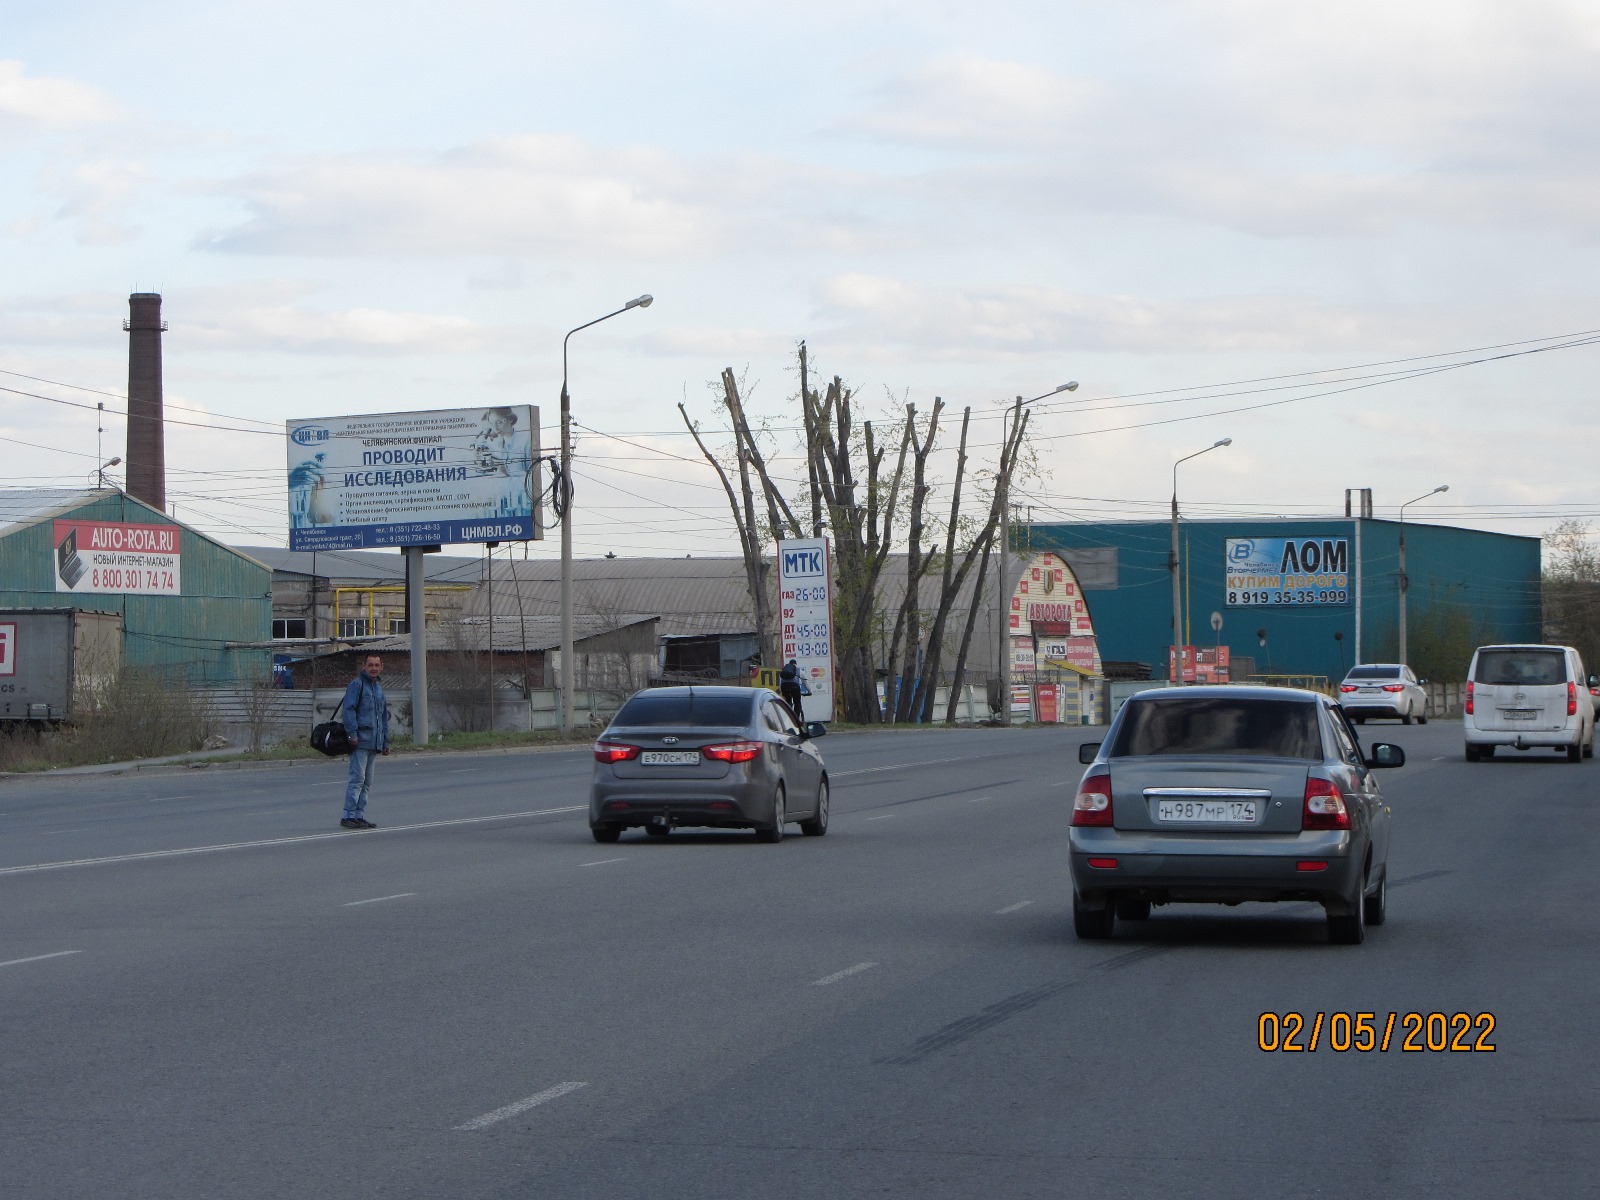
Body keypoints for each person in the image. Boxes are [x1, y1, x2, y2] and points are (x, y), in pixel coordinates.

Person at [340, 654, 390, 829]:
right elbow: (349, 710)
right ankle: (348, 816)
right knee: (357, 780)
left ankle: (359, 816)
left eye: (377, 665)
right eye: (370, 665)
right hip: (360, 741)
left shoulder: (379, 689)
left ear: (381, 667)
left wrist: (385, 741)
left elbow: (383, 717)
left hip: (374, 742)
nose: (373, 668)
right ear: (364, 666)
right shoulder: (357, 685)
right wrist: (352, 734)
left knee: (367, 782)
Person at [779, 658, 805, 722]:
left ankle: (787, 718)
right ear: (795, 664)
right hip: (794, 687)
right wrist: (809, 691)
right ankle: (796, 720)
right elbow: (804, 682)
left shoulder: (784, 670)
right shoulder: (798, 670)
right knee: (797, 703)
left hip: (784, 687)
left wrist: (781, 690)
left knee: (787, 702)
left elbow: (780, 681)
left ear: (789, 664)